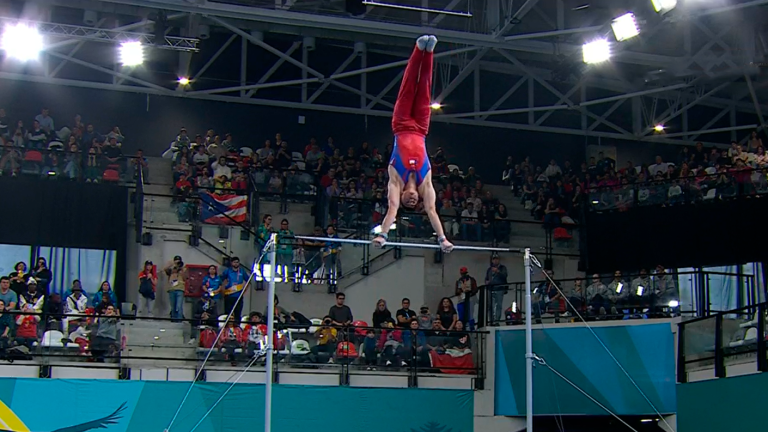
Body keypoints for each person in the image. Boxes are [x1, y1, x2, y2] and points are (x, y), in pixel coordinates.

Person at [372, 35, 453, 253]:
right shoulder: (425, 183)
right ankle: (430, 52)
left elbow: (391, 210)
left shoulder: (395, 182)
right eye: (413, 203)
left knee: (409, 84)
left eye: (407, 202)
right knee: (425, 86)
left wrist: (383, 234)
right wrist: (442, 239)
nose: (412, 200)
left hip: (401, 124)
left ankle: (419, 49)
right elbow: (432, 211)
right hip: (421, 128)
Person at [222, 257, 250, 322]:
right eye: (234, 262)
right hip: (229, 295)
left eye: (237, 262)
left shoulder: (242, 271)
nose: (236, 263)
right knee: (228, 313)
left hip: (238, 296)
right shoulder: (227, 271)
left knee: (238, 313)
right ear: (231, 263)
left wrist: (244, 290)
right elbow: (221, 280)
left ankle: (237, 328)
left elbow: (248, 280)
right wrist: (223, 290)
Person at [485, 254, 508, 325]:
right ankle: (491, 320)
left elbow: (505, 276)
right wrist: (486, 282)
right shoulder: (489, 269)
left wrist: (498, 271)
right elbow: (486, 278)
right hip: (490, 289)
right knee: (490, 306)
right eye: (494, 259)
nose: (495, 260)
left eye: (496, 259)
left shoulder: (502, 268)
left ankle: (497, 320)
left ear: (499, 260)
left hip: (499, 289)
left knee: (498, 305)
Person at [164, 256, 187, 321]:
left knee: (179, 306)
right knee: (173, 307)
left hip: (180, 289)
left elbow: (185, 278)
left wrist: (181, 269)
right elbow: (165, 269)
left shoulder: (183, 269)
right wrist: (172, 264)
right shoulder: (171, 269)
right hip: (172, 289)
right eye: (176, 261)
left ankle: (179, 320)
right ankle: (173, 320)